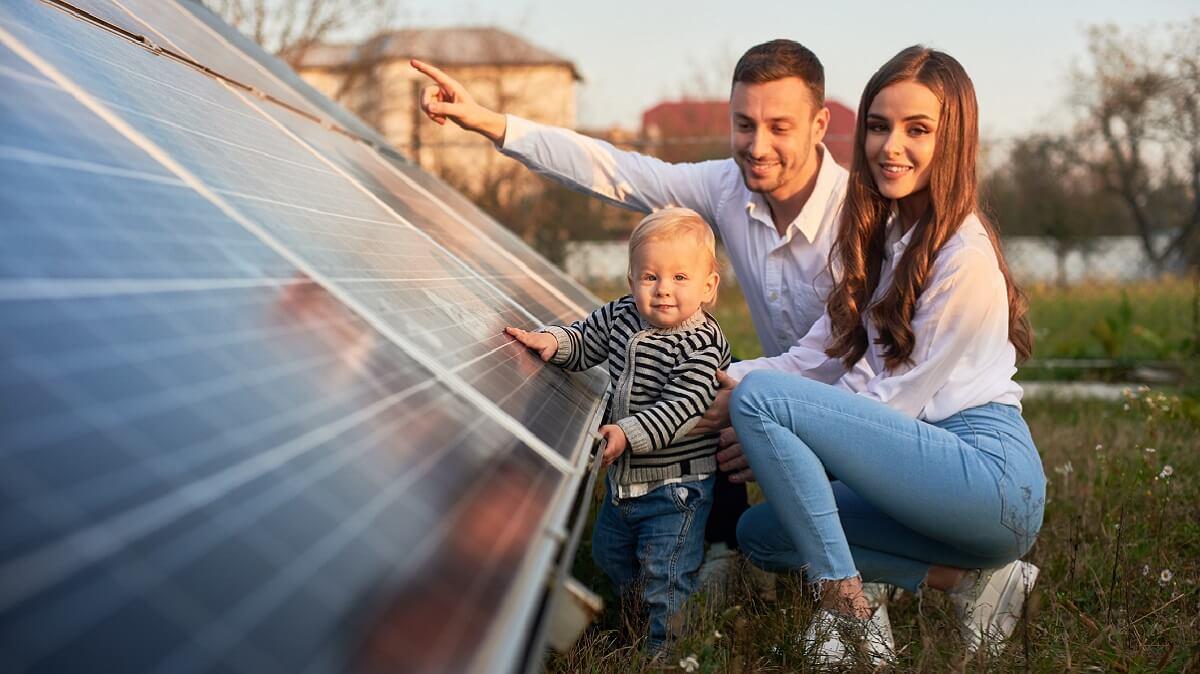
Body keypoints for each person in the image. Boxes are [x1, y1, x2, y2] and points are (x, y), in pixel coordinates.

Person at [411, 39, 871, 575]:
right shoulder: (727, 187)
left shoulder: (861, 216)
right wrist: (492, 124)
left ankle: (872, 573)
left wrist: (783, 424)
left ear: (819, 126)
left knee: (731, 395)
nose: (757, 145)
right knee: (699, 388)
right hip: (772, 393)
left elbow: (876, 369)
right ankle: (713, 556)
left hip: (865, 413)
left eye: (780, 127)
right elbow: (615, 170)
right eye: (744, 124)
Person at [715, 46, 1046, 664]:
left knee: (763, 407)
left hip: (987, 480)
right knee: (761, 533)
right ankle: (976, 583)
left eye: (917, 129)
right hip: (919, 470)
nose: (890, 146)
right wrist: (710, 385)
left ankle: (849, 615)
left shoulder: (963, 259)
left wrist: (763, 425)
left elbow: (887, 406)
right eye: (877, 125)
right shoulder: (890, 238)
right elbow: (811, 359)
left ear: (954, 139)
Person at [505, 208, 731, 649]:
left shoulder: (702, 345)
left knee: (664, 574)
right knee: (610, 553)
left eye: (680, 278)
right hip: (625, 483)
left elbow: (682, 407)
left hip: (676, 489)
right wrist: (554, 341)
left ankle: (665, 649)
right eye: (650, 277)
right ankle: (635, 615)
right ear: (631, 281)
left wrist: (626, 432)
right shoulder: (622, 314)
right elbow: (587, 338)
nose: (664, 289)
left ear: (708, 285)